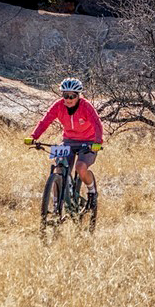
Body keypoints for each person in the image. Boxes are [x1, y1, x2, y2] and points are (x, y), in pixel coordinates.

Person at [24, 78, 104, 209]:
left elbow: (97, 124)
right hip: (69, 141)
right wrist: (34, 136)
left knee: (81, 167)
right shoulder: (58, 105)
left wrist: (97, 142)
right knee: (59, 168)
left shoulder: (86, 106)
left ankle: (92, 192)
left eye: (72, 96)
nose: (68, 99)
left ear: (78, 96)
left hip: (88, 142)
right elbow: (45, 121)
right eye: (66, 95)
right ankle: (57, 206)